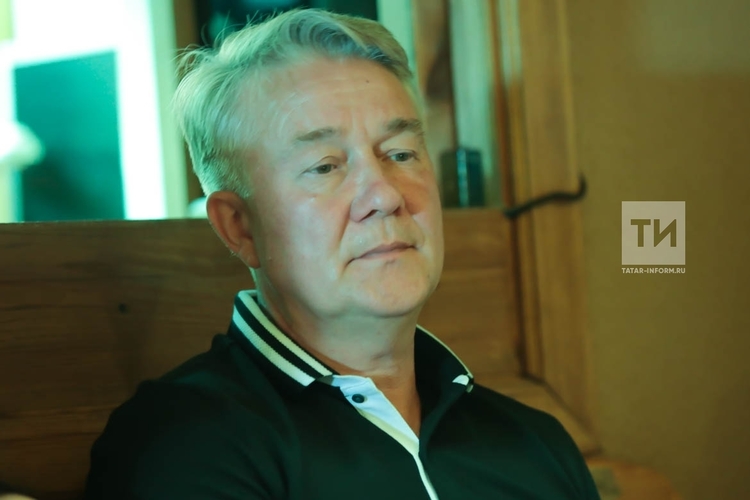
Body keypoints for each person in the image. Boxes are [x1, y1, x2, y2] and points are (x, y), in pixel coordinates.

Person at [84, 8, 600, 500]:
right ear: (239, 226)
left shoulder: (538, 445)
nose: (386, 196)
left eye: (400, 154)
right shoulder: (187, 447)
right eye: (325, 166)